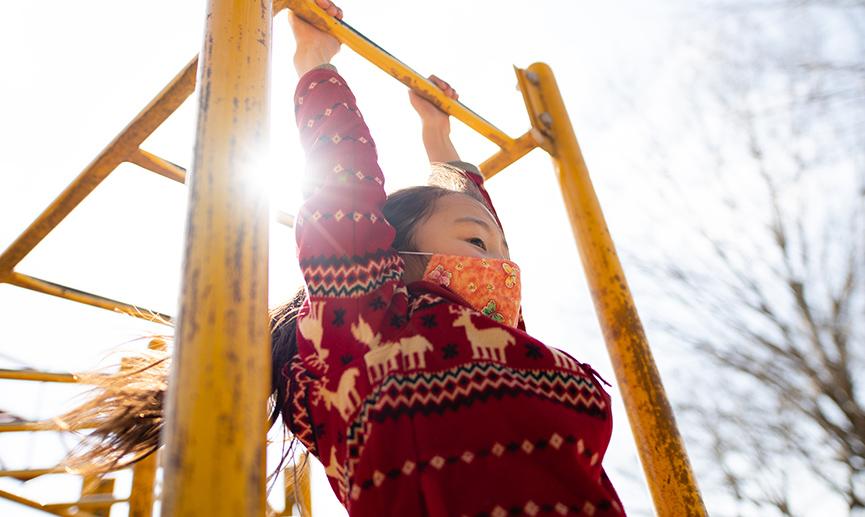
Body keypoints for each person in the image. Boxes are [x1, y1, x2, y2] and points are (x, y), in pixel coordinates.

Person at [59, 1, 625, 515]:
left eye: (502, 250)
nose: (502, 266)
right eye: (479, 245)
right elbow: (343, 185)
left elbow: (475, 214)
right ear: (393, 257)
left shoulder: (503, 339)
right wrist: (315, 59)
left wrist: (437, 135)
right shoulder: (368, 321)